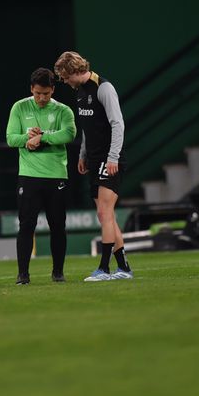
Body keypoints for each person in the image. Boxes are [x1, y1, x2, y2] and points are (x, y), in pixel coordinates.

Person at [53, 51, 132, 282]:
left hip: (109, 159)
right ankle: (124, 268)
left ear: (75, 71)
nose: (65, 82)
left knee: (104, 212)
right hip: (95, 159)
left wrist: (113, 157)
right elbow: (87, 127)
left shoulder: (103, 88)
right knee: (106, 215)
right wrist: (83, 154)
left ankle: (104, 269)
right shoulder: (80, 91)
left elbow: (118, 124)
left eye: (66, 77)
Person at [5, 67, 76, 285]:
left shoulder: (64, 111)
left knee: (58, 225)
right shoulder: (19, 107)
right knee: (26, 225)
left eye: (45, 93)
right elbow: (10, 138)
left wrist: (42, 137)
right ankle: (23, 275)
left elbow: (69, 134)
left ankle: (58, 272)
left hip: (56, 174)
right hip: (29, 175)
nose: (41, 98)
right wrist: (28, 139)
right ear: (31, 90)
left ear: (53, 89)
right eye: (37, 93)